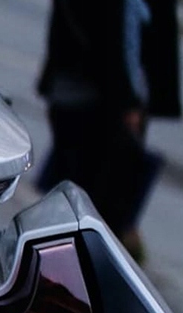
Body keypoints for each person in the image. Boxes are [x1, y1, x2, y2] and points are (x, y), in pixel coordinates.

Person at [37, 0, 181, 263]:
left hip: (79, 88)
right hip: (100, 98)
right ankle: (78, 262)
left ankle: (63, 258)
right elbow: (121, 34)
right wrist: (129, 102)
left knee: (71, 195)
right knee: (92, 200)